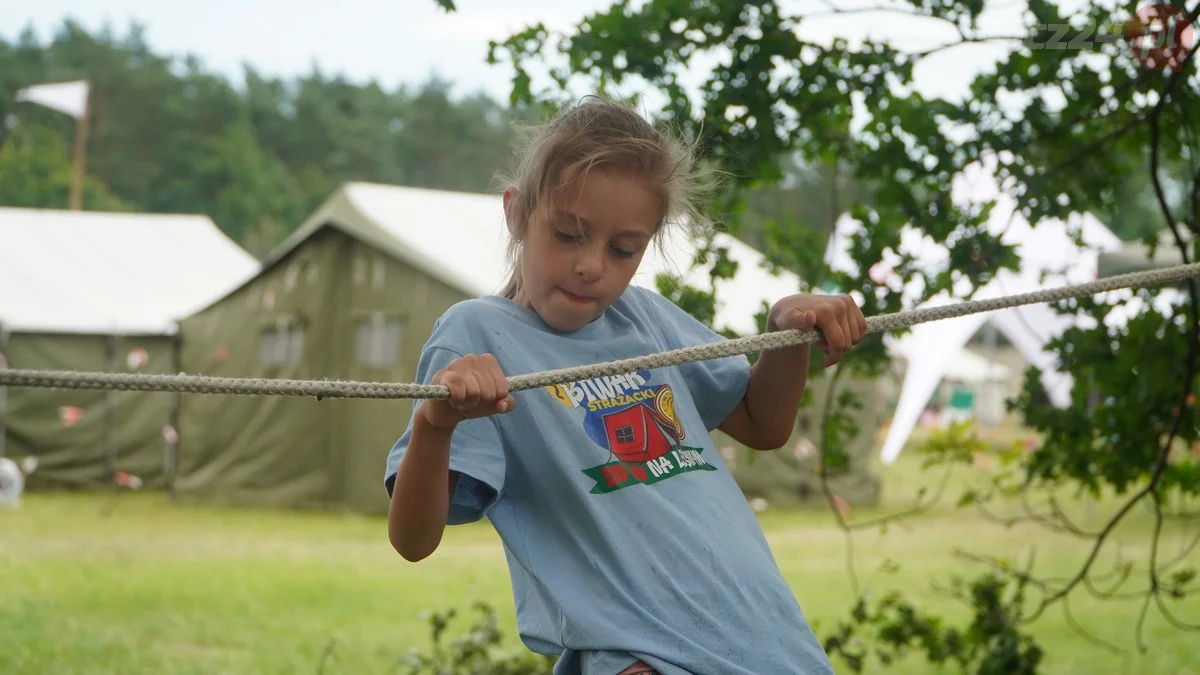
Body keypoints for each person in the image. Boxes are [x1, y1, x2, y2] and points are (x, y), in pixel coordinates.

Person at [384, 95, 867, 675]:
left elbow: (763, 425)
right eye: (568, 234)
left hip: (770, 641)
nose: (592, 265)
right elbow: (413, 540)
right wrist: (435, 423)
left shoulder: (647, 320)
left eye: (622, 249)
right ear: (516, 213)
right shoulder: (477, 335)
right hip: (640, 655)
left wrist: (788, 330)